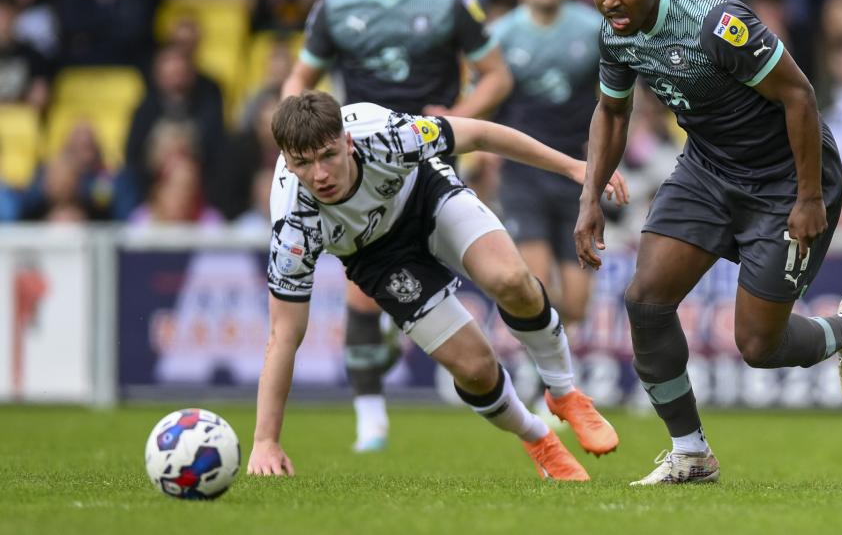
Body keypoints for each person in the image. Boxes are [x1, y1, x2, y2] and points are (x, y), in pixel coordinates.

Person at [567, 0, 842, 486]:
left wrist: (809, 197)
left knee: (759, 346)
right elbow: (612, 112)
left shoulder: (716, 25)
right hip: (708, 171)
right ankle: (691, 453)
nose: (611, 1)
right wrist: (589, 200)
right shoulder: (615, 34)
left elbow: (800, 98)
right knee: (646, 299)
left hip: (786, 179)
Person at [246, 92, 626, 481]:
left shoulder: (386, 135)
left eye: (328, 155)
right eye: (303, 164)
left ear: (347, 142)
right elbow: (284, 336)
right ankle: (538, 438)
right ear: (288, 164)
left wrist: (572, 168)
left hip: (424, 194)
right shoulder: (293, 227)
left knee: (510, 279)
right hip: (376, 257)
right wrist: (265, 441)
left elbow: (479, 135)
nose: (320, 174)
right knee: (475, 369)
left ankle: (565, 393)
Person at [281, 0, 514, 452]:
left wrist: (459, 117)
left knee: (489, 272)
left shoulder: (450, 2)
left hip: (427, 154)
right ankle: (370, 416)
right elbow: (298, 82)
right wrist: (287, 132)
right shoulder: (335, 7)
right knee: (365, 294)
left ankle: (517, 379)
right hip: (355, 164)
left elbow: (497, 75)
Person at [490, 0, 602, 327]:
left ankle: (556, 364)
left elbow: (616, 98)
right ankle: (551, 374)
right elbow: (486, 102)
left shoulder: (593, 30)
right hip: (523, 171)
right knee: (535, 287)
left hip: (579, 170)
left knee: (576, 303)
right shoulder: (499, 37)